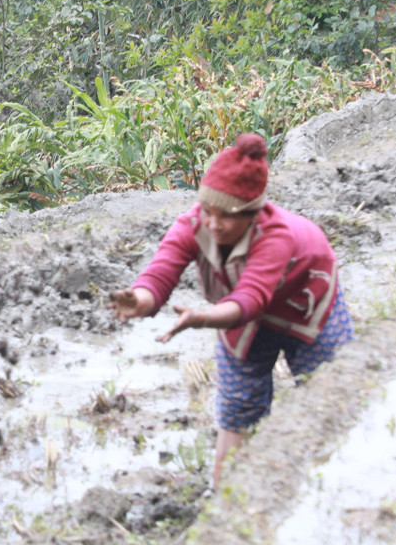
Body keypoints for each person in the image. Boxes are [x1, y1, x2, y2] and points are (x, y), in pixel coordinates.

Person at [109, 133, 352, 482]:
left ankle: (334, 476)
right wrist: (142, 300)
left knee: (328, 391)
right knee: (239, 403)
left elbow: (250, 300)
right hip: (240, 311)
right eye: (207, 211)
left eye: (226, 216)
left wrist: (203, 318)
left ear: (253, 214)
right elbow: (161, 271)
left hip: (306, 300)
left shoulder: (276, 234)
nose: (213, 223)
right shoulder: (193, 225)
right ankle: (225, 491)